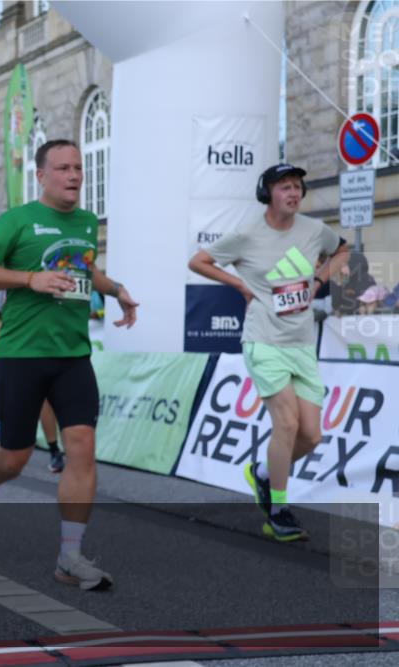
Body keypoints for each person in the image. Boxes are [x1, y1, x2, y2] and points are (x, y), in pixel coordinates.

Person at [0, 139, 139, 591]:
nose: (74, 175)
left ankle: (70, 557)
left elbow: (86, 269)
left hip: (73, 354)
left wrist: (116, 289)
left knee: (81, 445)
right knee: (14, 458)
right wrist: (29, 279)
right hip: (21, 354)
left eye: (78, 167)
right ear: (41, 175)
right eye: (63, 168)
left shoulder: (83, 222)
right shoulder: (17, 221)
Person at [189, 163, 349, 542]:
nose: (293, 193)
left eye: (297, 187)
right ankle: (278, 510)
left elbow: (342, 251)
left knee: (311, 436)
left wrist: (318, 280)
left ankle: (262, 473)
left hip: (302, 344)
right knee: (288, 424)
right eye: (284, 188)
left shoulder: (313, 230)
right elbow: (198, 261)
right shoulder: (247, 234)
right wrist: (241, 286)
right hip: (263, 341)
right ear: (268, 194)